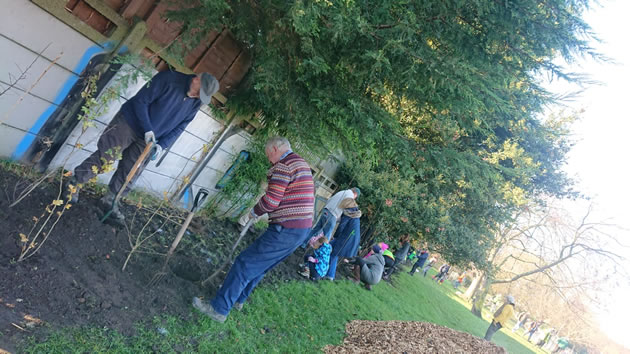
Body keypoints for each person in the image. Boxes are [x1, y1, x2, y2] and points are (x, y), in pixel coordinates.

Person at [65, 70, 219, 221]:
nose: (198, 97)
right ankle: (75, 183)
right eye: (199, 92)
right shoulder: (169, 79)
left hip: (150, 139)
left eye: (202, 96)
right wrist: (147, 129)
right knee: (106, 155)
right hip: (129, 122)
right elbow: (140, 101)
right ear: (196, 79)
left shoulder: (195, 103)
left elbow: (180, 127)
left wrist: (162, 145)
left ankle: (110, 200)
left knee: (132, 170)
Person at [192, 136, 314, 323]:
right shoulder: (301, 163)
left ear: (275, 149)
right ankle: (239, 300)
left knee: (244, 263)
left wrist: (253, 213)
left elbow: (271, 201)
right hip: (301, 230)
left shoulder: (283, 165)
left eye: (268, 155)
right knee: (261, 266)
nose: (268, 160)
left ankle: (219, 309)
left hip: (286, 229)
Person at [324, 198, 361, 280]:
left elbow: (341, 227)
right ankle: (324, 269)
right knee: (328, 247)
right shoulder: (355, 213)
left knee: (334, 253)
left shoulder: (348, 214)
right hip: (353, 238)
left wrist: (335, 236)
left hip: (347, 239)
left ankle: (330, 275)